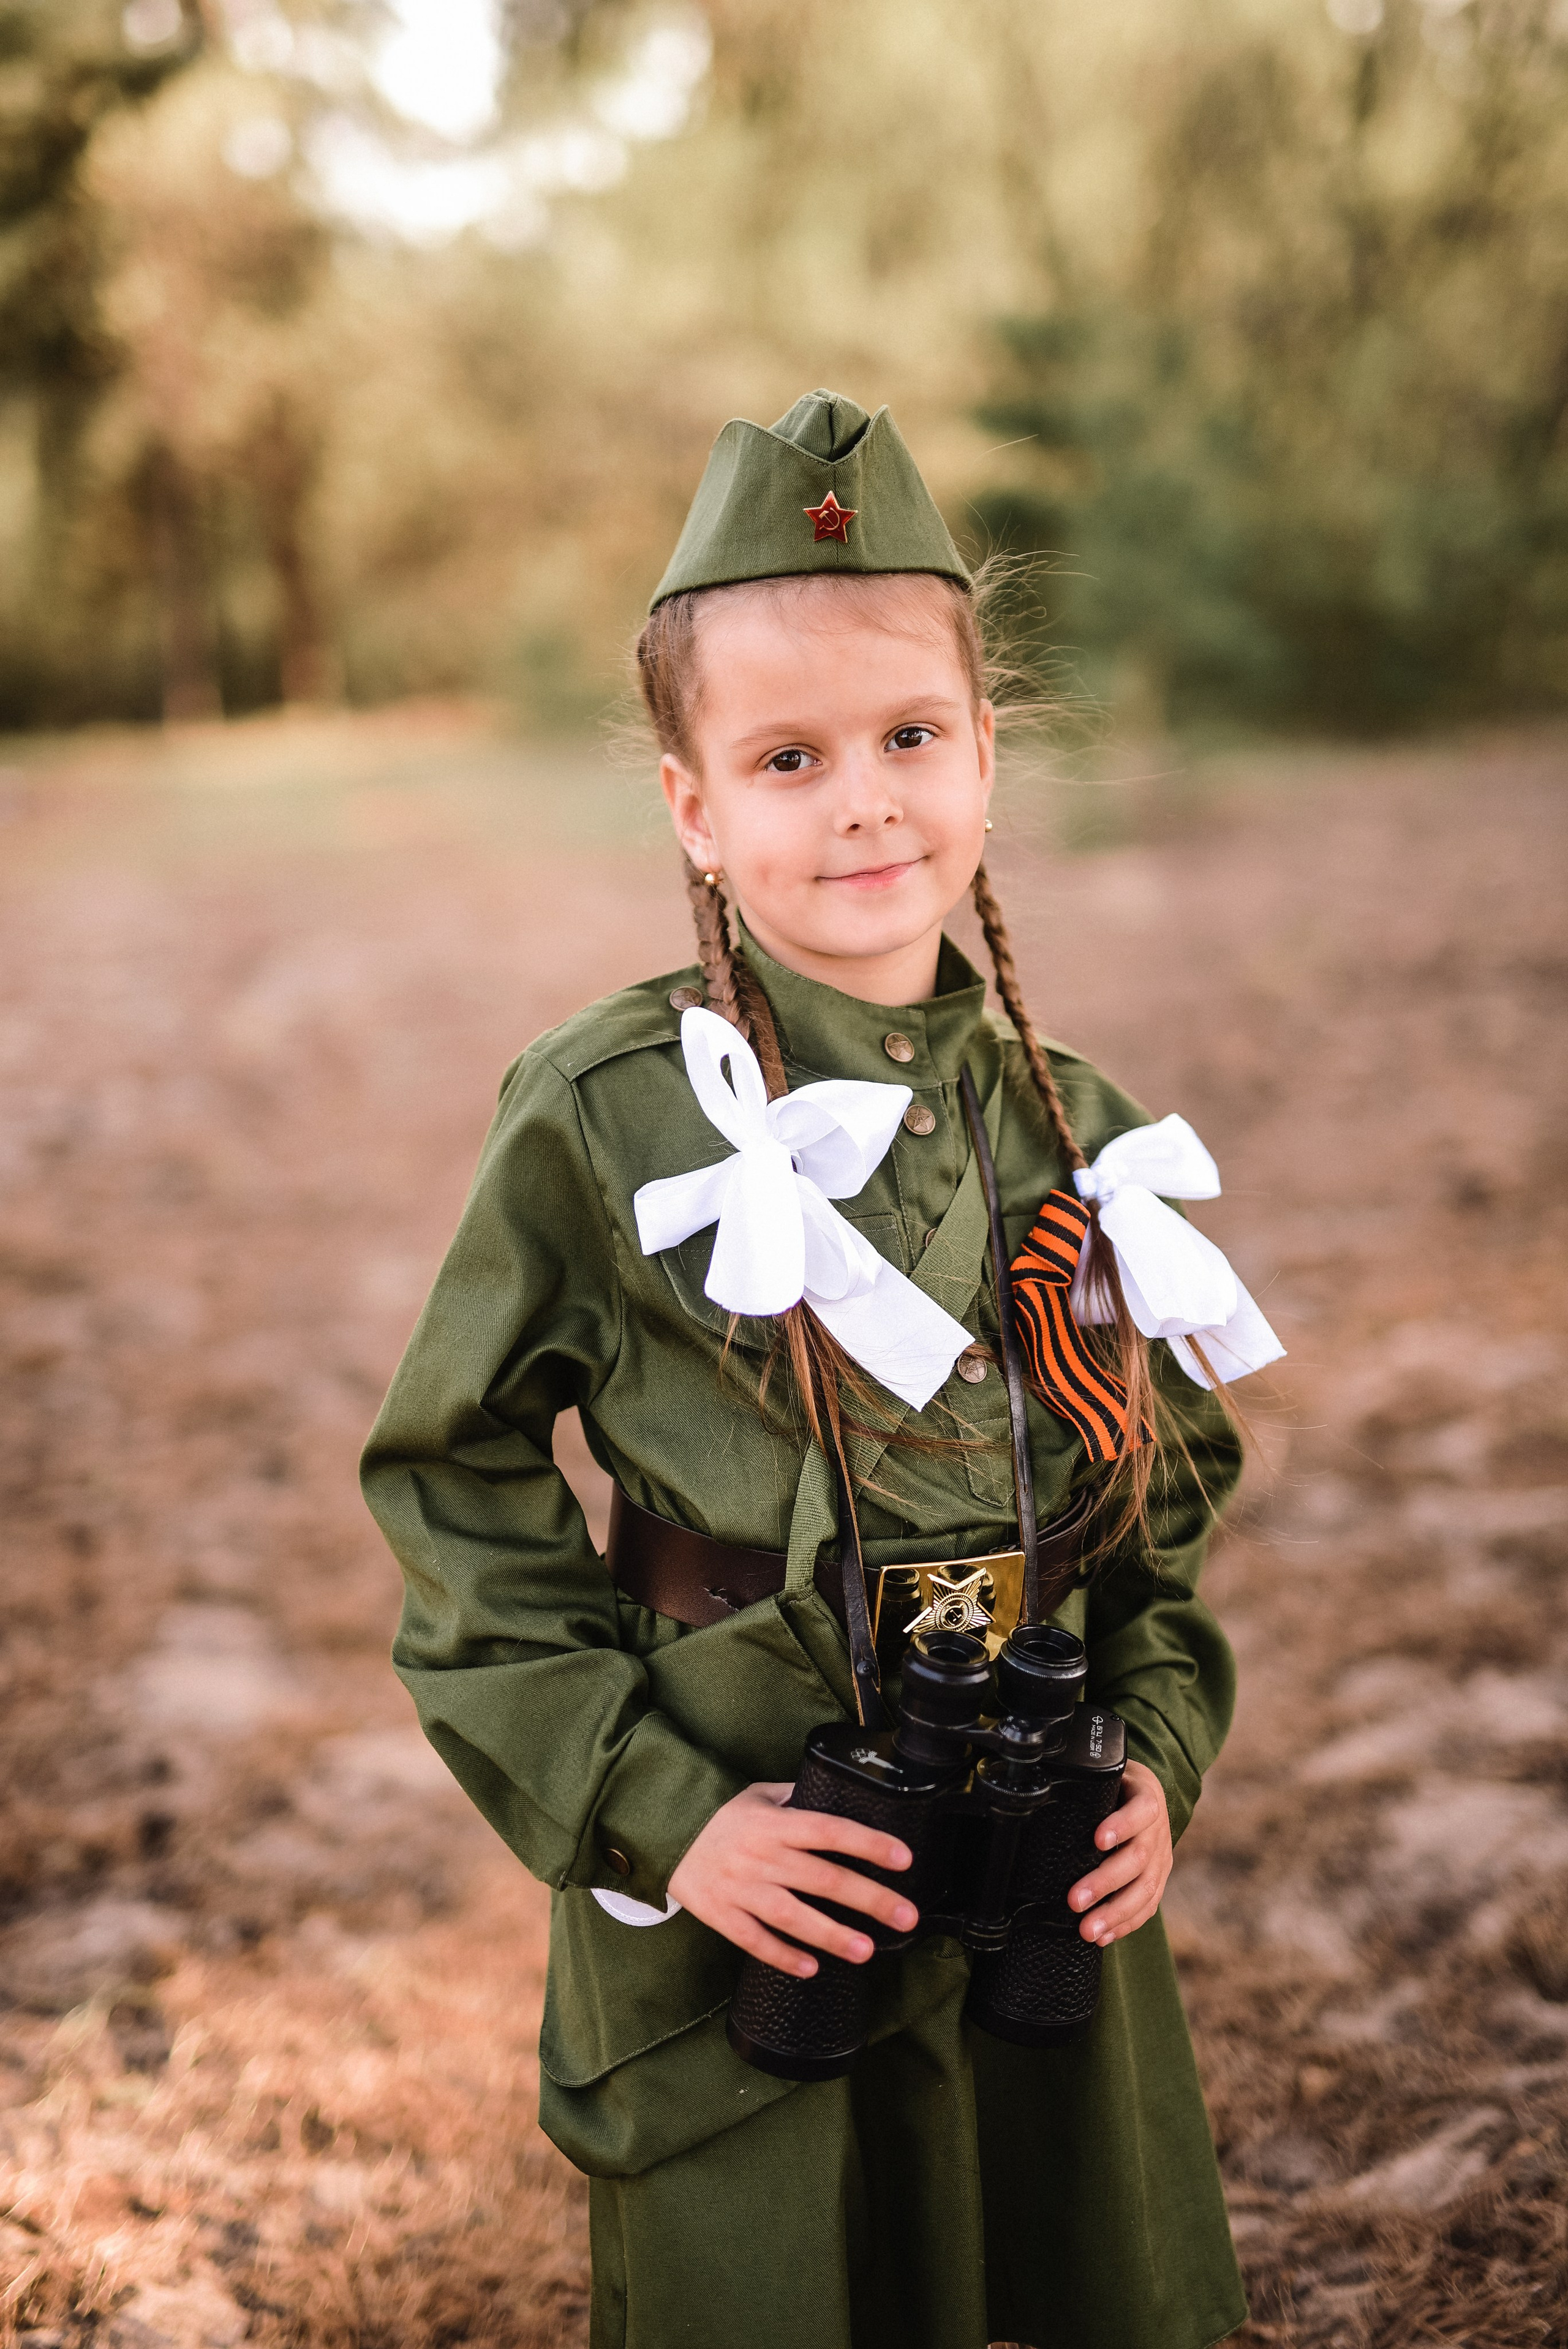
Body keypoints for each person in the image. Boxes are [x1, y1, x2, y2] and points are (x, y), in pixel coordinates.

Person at [361, 389, 1283, 2349]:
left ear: (986, 756)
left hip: (1034, 1844)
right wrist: (660, 1804)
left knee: (1065, 2266)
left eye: (909, 738)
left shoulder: (1085, 1129)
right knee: (774, 2275)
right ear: (694, 803)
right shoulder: (608, 1112)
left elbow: (1172, 1500)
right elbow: (453, 1475)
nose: (863, 800)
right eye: (788, 757)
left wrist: (1159, 1753)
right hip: (748, 1838)